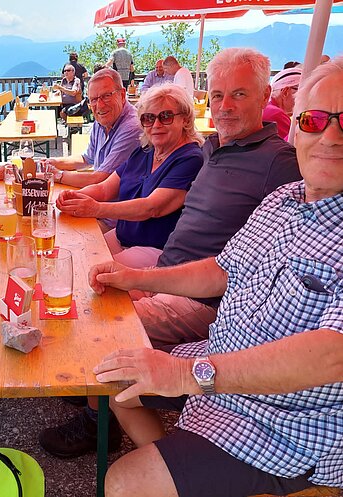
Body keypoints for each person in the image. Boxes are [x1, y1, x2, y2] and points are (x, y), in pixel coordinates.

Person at [94, 56, 343, 497]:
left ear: (265, 100)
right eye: (315, 120)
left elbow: (332, 354)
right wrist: (134, 277)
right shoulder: (283, 199)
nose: (330, 136)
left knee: (125, 482)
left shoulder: (278, 168)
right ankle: (185, 470)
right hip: (219, 366)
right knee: (114, 378)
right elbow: (222, 270)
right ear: (296, 126)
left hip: (288, 426)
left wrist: (187, 374)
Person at [38, 48, 301, 459]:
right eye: (218, 96)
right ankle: (129, 432)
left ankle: (109, 432)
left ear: (266, 95)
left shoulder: (278, 162)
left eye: (239, 94)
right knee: (87, 297)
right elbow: (114, 183)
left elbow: (158, 209)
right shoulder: (213, 149)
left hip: (204, 297)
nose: (225, 106)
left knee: (96, 331)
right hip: (168, 272)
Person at [56, 84, 203, 267]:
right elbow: (104, 189)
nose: (156, 125)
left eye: (166, 117)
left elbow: (152, 207)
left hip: (156, 250)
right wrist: (71, 197)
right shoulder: (145, 152)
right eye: (148, 118)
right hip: (122, 237)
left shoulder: (190, 159)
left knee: (90, 269)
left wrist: (95, 209)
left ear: (185, 120)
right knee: (75, 253)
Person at [45, 68, 141, 190]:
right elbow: (87, 159)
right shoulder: (102, 119)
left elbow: (100, 179)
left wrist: (57, 175)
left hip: (122, 199)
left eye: (106, 96)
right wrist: (52, 162)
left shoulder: (132, 127)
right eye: (94, 100)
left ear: (122, 95)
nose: (100, 105)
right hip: (101, 195)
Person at [262, 66, 301, 140]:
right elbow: (293, 145)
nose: (304, 100)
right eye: (302, 93)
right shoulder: (276, 114)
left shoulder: (266, 109)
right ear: (286, 92)